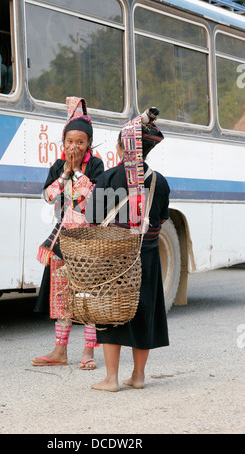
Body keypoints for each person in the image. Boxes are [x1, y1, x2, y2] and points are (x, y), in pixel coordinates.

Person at [85, 107, 170, 391]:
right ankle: (138, 376)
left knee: (110, 312)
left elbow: (93, 219)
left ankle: (111, 379)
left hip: (113, 260)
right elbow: (162, 218)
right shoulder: (160, 181)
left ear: (122, 146)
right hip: (147, 258)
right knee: (143, 310)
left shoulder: (108, 178)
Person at [32, 97, 104, 369]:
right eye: (69, 141)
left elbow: (93, 197)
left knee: (85, 297)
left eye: (80, 142)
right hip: (61, 242)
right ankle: (59, 352)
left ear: (89, 144)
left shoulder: (96, 167)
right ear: (63, 142)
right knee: (62, 297)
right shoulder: (56, 167)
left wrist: (76, 171)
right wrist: (64, 175)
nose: (74, 146)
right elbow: (49, 197)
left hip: (87, 243)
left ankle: (88, 353)